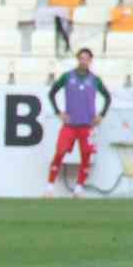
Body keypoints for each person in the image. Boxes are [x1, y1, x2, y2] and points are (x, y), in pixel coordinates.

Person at [44, 47, 111, 197]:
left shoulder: (95, 80)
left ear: (90, 61)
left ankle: (79, 189)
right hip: (70, 124)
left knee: (86, 156)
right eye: (81, 58)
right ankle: (49, 188)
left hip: (87, 125)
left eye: (87, 59)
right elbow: (52, 93)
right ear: (78, 59)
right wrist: (58, 112)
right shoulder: (67, 77)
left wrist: (101, 115)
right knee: (60, 152)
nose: (84, 61)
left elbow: (108, 97)